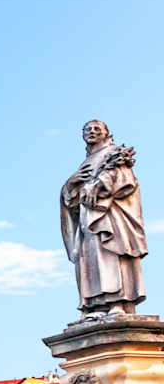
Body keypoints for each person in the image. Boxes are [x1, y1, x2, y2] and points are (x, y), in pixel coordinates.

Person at [61, 120, 147, 317]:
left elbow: (124, 179)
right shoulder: (85, 162)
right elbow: (70, 197)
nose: (91, 131)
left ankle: (118, 302)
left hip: (110, 216)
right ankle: (95, 305)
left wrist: (99, 185)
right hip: (87, 218)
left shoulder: (114, 153)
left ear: (106, 133)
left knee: (112, 255)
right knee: (90, 259)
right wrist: (70, 184)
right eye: (87, 129)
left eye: (96, 129)